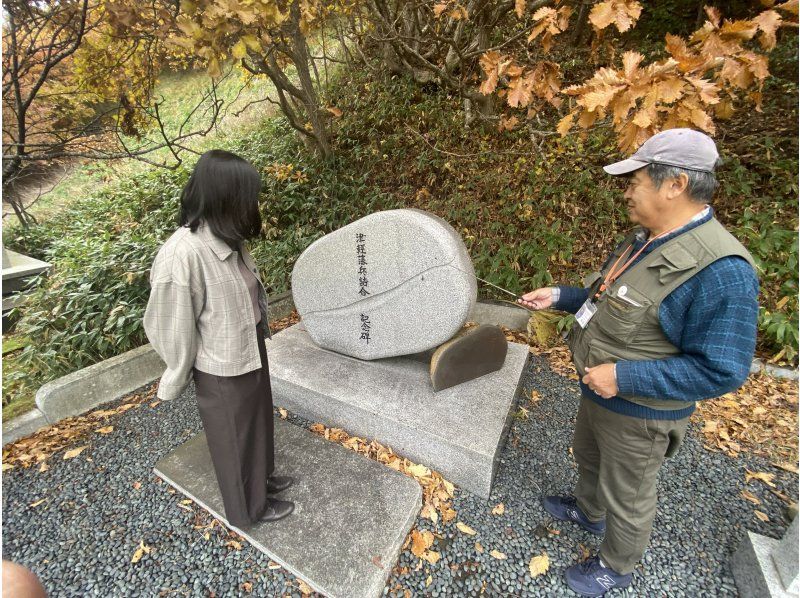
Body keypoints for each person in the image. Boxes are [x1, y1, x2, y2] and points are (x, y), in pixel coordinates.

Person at [519, 129, 759, 597]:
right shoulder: (648, 240)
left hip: (640, 410)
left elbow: (723, 368)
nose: (628, 191)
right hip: (599, 389)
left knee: (627, 494)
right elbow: (606, 297)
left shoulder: (722, 270)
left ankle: (617, 565)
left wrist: (624, 375)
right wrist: (562, 296)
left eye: (637, 180)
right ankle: (588, 513)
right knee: (589, 457)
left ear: (675, 186)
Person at [144, 149, 294, 529]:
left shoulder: (228, 236)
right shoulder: (182, 254)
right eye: (248, 195)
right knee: (233, 437)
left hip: (247, 346)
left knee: (258, 421)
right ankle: (248, 509)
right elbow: (167, 325)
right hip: (220, 364)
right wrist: (180, 370)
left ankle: (261, 480)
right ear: (226, 196)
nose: (253, 203)